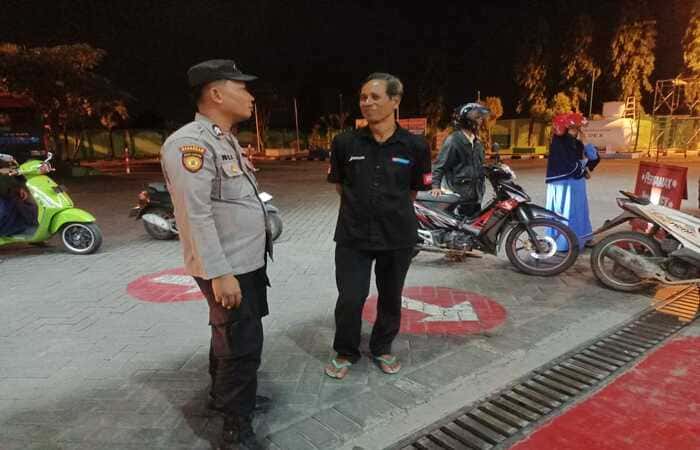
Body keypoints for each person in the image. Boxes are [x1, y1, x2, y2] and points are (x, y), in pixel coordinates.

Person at [160, 59, 272, 450]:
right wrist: (220, 273)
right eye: (242, 87)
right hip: (228, 266)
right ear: (217, 93)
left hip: (244, 261)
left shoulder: (224, 140)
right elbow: (195, 215)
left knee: (229, 333)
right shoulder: (189, 144)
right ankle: (235, 430)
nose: (250, 95)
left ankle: (222, 397)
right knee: (242, 346)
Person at [325, 73, 432, 379]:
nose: (367, 103)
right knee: (350, 298)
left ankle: (382, 347)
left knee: (390, 296)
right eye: (363, 97)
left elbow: (413, 191)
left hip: (397, 236)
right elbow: (340, 186)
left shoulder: (415, 145)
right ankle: (346, 350)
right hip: (353, 236)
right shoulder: (345, 142)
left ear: (395, 101)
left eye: (375, 97)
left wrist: (388, 209)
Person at [545, 112, 600, 250]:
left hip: (576, 184)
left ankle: (583, 238)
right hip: (563, 185)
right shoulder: (559, 143)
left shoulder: (576, 142)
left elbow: (594, 158)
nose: (578, 131)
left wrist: (586, 142)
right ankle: (564, 243)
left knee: (580, 212)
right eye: (574, 128)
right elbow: (566, 165)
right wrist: (583, 169)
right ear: (564, 128)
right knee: (564, 213)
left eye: (578, 128)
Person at [430, 103, 491, 218]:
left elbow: (480, 165)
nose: (481, 121)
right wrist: (435, 186)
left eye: (481, 118)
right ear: (468, 121)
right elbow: (439, 165)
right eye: (477, 118)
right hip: (459, 195)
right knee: (461, 227)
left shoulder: (477, 142)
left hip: (476, 194)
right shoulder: (454, 140)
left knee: (475, 225)